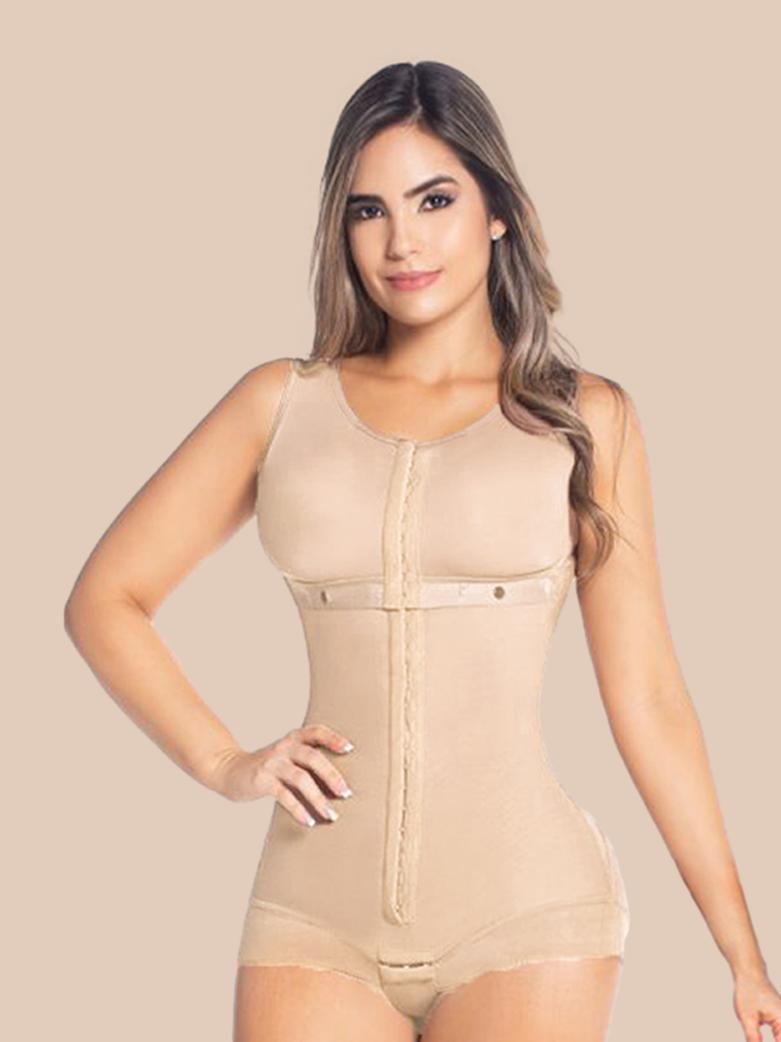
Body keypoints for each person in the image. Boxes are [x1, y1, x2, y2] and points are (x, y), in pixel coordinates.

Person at [64, 61, 780, 1042]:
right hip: (309, 915)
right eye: (369, 210)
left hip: (529, 912)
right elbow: (106, 597)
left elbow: (649, 697)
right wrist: (225, 761)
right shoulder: (280, 403)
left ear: (497, 210)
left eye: (434, 200)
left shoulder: (581, 420)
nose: (401, 241)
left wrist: (741, 951)